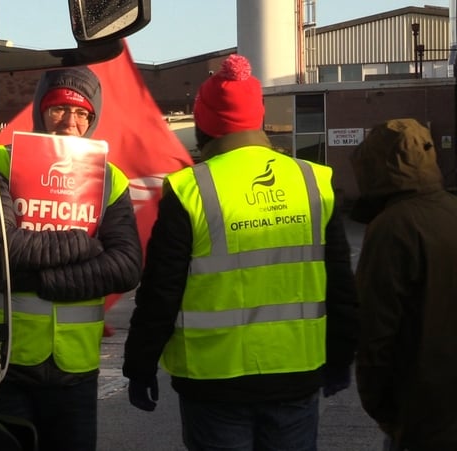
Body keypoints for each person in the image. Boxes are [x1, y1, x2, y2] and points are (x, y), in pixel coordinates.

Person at [122, 54, 359, 450]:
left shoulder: (190, 188)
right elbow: (340, 283)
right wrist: (340, 355)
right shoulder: (313, 181)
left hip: (213, 379)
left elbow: (162, 290)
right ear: (258, 119)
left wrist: (140, 365)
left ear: (204, 124)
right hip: (296, 372)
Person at [0, 66, 142, 451]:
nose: (70, 122)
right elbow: (0, 246)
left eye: (82, 113)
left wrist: (40, 280)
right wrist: (85, 244)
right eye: (59, 109)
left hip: (76, 368)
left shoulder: (111, 179)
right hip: (7, 359)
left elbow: (126, 267)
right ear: (40, 110)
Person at [350, 118, 457, 451]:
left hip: (422, 411)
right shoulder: (451, 209)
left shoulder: (391, 228)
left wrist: (383, 409)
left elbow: (374, 330)